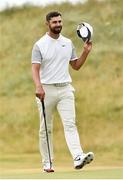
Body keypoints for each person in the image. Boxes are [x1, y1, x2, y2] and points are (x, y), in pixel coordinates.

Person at [31, 11, 94, 173]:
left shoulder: (68, 42)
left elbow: (76, 66)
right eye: (55, 22)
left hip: (66, 88)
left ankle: (78, 156)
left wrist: (85, 52)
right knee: (46, 128)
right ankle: (47, 163)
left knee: (70, 124)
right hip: (46, 90)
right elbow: (35, 68)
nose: (58, 24)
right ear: (47, 24)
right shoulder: (40, 45)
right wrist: (38, 86)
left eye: (60, 21)